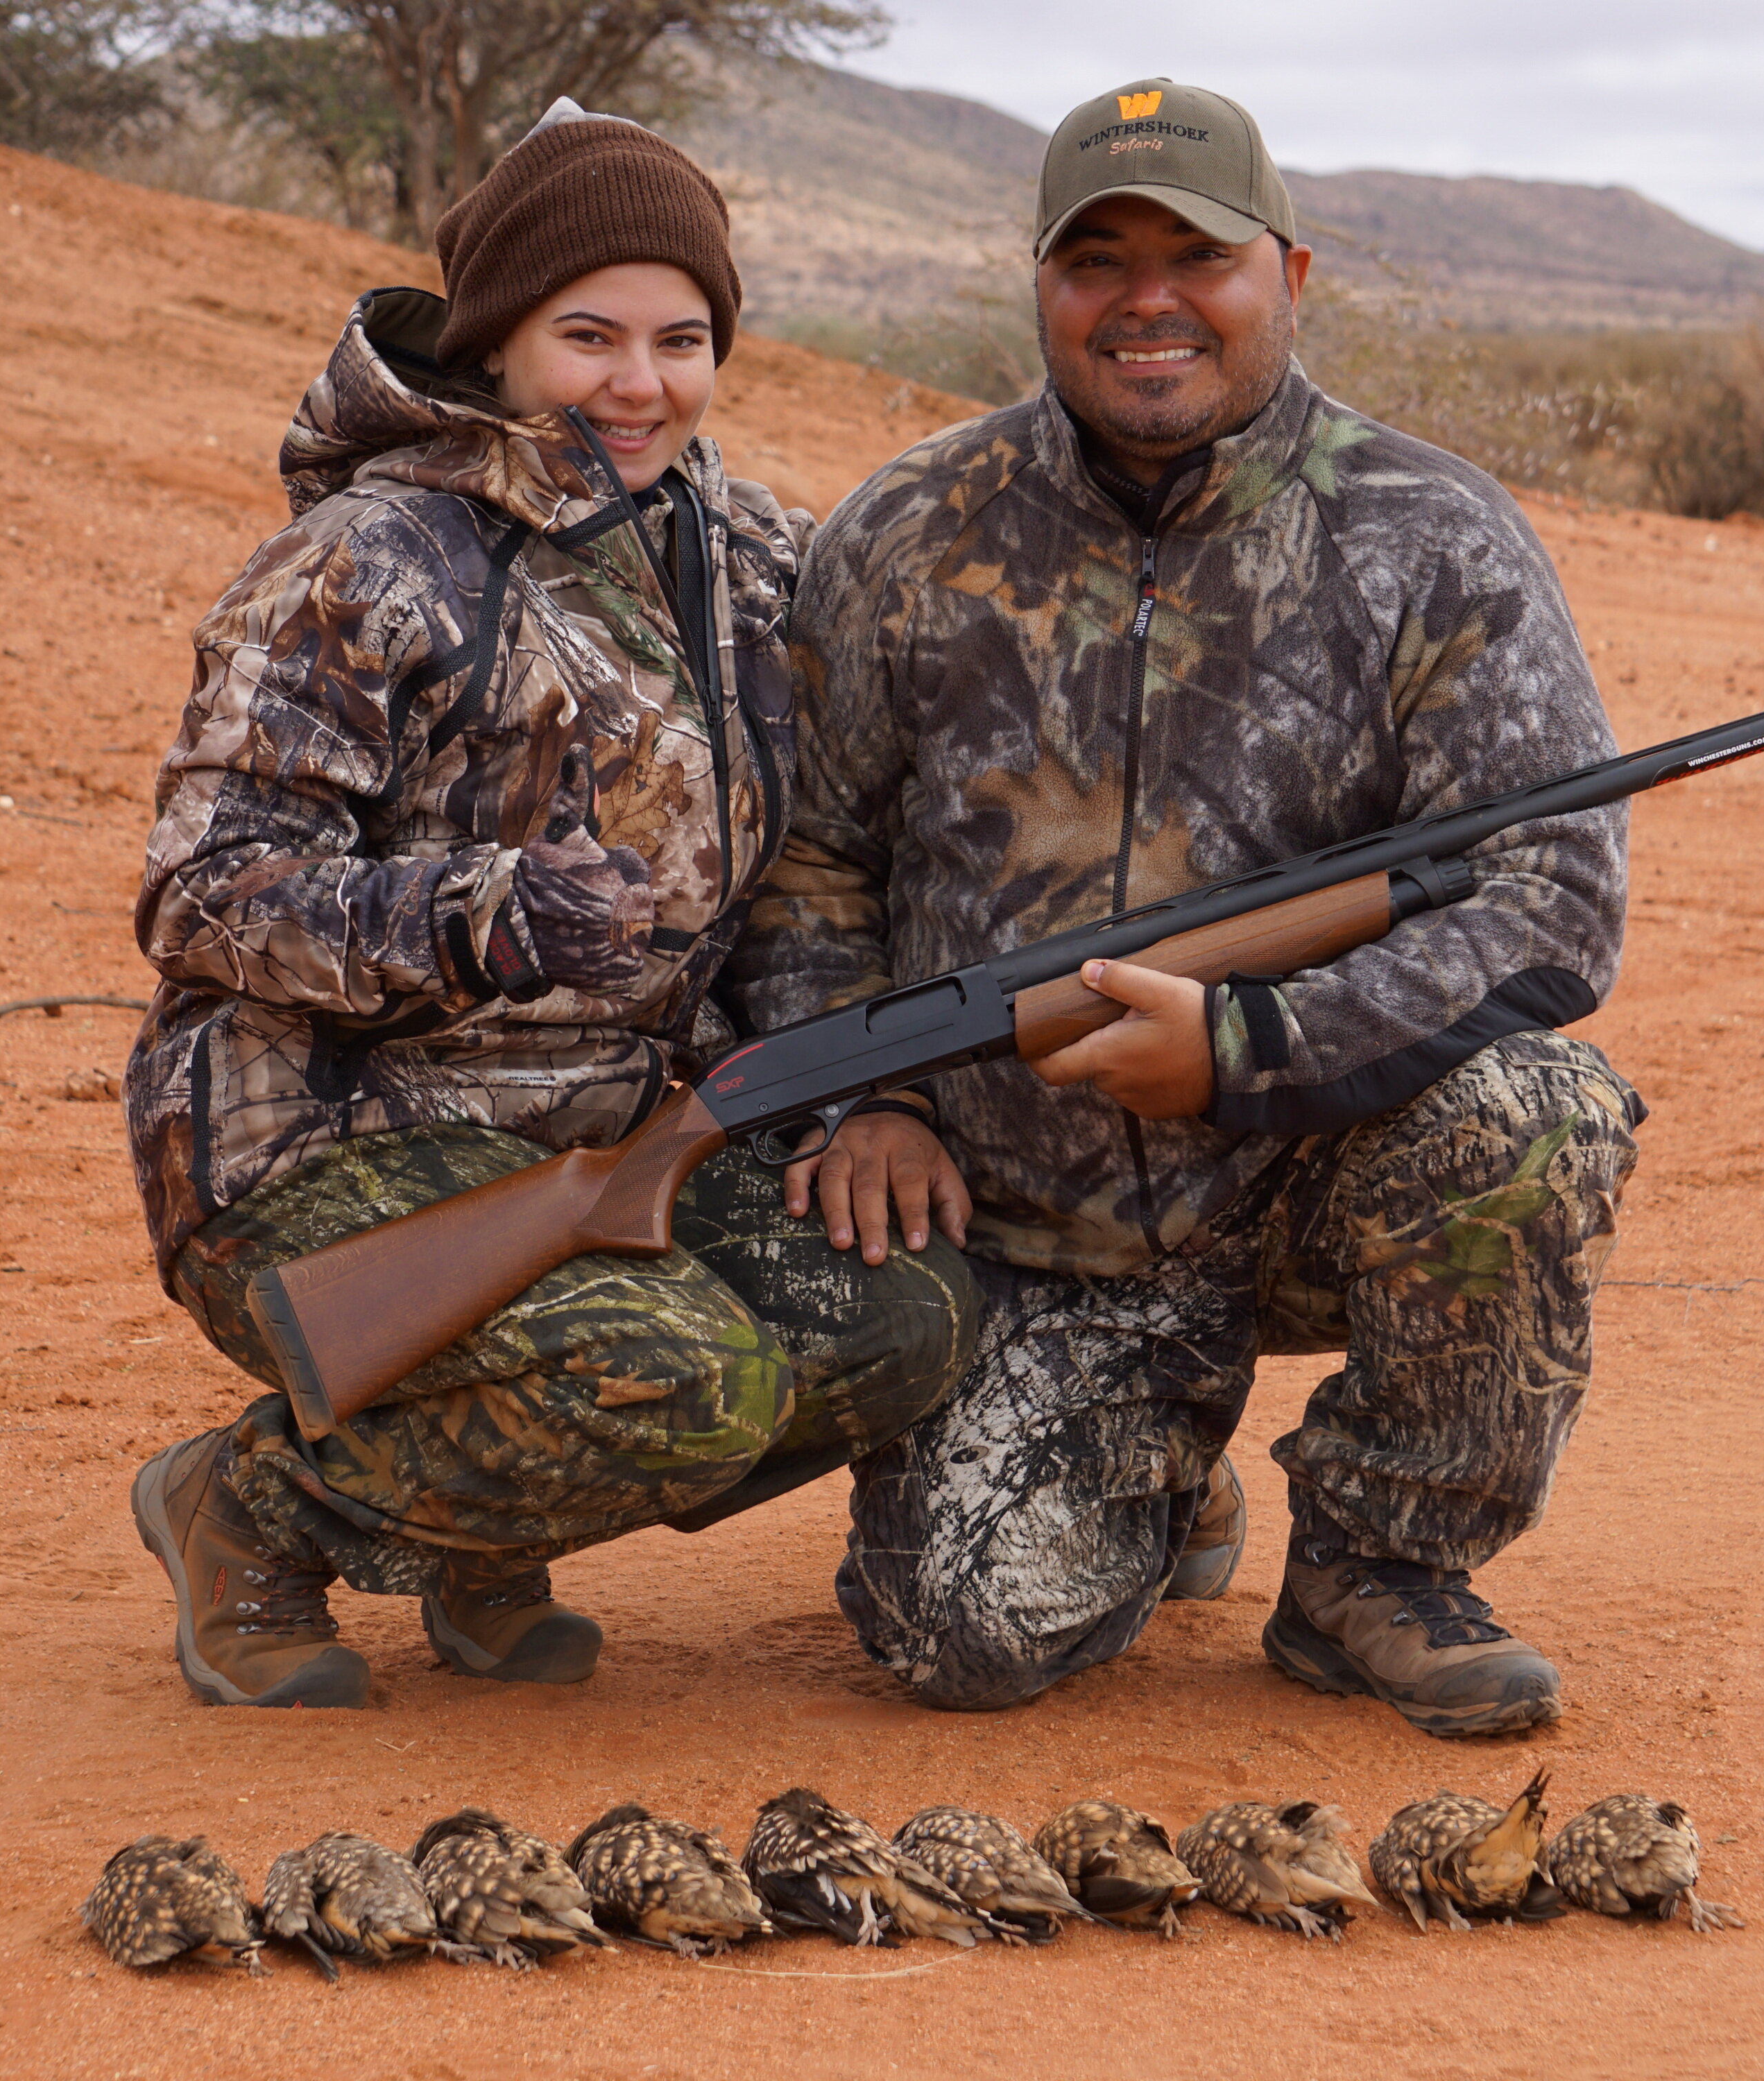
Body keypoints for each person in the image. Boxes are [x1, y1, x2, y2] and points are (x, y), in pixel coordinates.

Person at [730, 78, 1640, 1738]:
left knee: (1536, 1116)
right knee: (963, 1641)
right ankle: (1158, 1476)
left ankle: (1379, 1561)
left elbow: (1553, 894)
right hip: (1017, 1229)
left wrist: (1253, 1044)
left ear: (1288, 275)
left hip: (1303, 1178)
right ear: (1041, 287)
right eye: (1098, 259)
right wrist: (859, 1089)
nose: (1147, 298)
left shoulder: (1431, 537)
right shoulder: (906, 530)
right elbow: (808, 863)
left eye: (1196, 255)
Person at [121, 101, 975, 1710]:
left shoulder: (750, 551)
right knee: (681, 1378)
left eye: (682, 337)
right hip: (323, 1137)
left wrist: (866, 1086)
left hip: (598, 1131)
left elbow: (811, 857)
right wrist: (474, 913)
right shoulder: (364, 560)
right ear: (500, 337)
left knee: (907, 1318)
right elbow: (202, 895)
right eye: (587, 335)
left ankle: (476, 1525)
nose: (638, 384)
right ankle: (246, 1508)